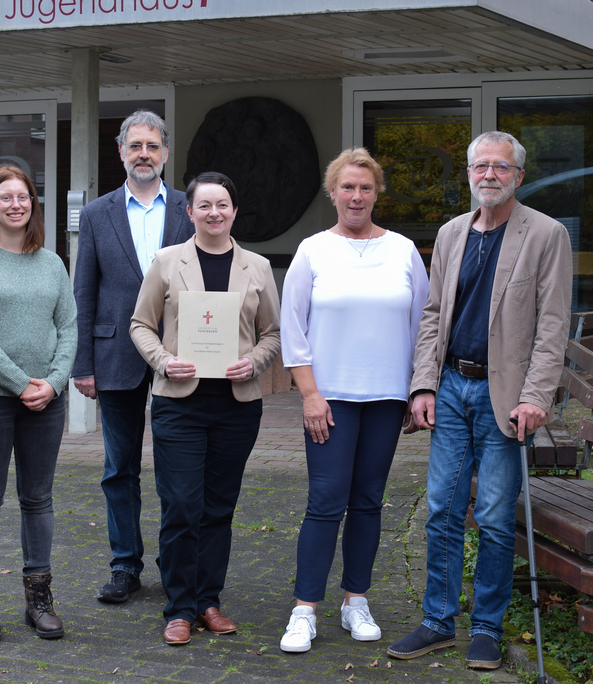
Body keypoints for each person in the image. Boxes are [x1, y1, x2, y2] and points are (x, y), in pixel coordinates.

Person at [387, 131, 572, 669]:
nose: (488, 175)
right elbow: (431, 315)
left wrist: (537, 395)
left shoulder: (546, 234)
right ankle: (437, 621)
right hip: (450, 388)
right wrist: (423, 385)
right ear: (468, 174)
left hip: (507, 395)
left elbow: (553, 324)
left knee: (492, 516)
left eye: (500, 166)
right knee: (442, 510)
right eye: (479, 166)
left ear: (518, 174)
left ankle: (486, 628)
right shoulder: (450, 234)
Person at [278, 148, 429, 653]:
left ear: (377, 192)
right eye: (347, 187)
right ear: (333, 192)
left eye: (365, 187)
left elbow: (422, 325)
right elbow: (292, 327)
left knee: (367, 503)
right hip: (330, 400)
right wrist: (310, 395)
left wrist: (414, 390)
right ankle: (305, 610)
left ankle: (355, 601)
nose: (356, 196)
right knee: (325, 503)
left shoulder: (405, 250)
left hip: (386, 399)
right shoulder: (312, 250)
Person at [130, 172, 281, 646]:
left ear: (234, 211)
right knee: (180, 506)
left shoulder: (256, 267)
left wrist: (253, 362)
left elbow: (273, 335)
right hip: (180, 405)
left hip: (236, 408)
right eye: (204, 205)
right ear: (189, 211)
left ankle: (208, 601)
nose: (214, 213)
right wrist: (164, 360)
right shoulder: (167, 262)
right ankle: (177, 607)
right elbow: (140, 324)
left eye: (223, 205)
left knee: (218, 509)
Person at [72, 110, 194, 604]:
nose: (144, 154)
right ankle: (125, 565)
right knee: (119, 467)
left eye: (153, 146)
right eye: (135, 146)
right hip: (115, 352)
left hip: (179, 354)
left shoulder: (190, 208)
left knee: (175, 468)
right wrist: (83, 363)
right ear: (121, 152)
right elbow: (85, 289)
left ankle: (175, 562)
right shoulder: (98, 214)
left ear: (165, 153)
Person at [0, 166, 77, 642]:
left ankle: (38, 598)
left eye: (22, 196)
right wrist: (20, 383)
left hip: (46, 400)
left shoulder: (52, 263)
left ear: (33, 204)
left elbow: (68, 327)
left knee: (38, 499)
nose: (15, 204)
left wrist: (53, 381)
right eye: (4, 197)